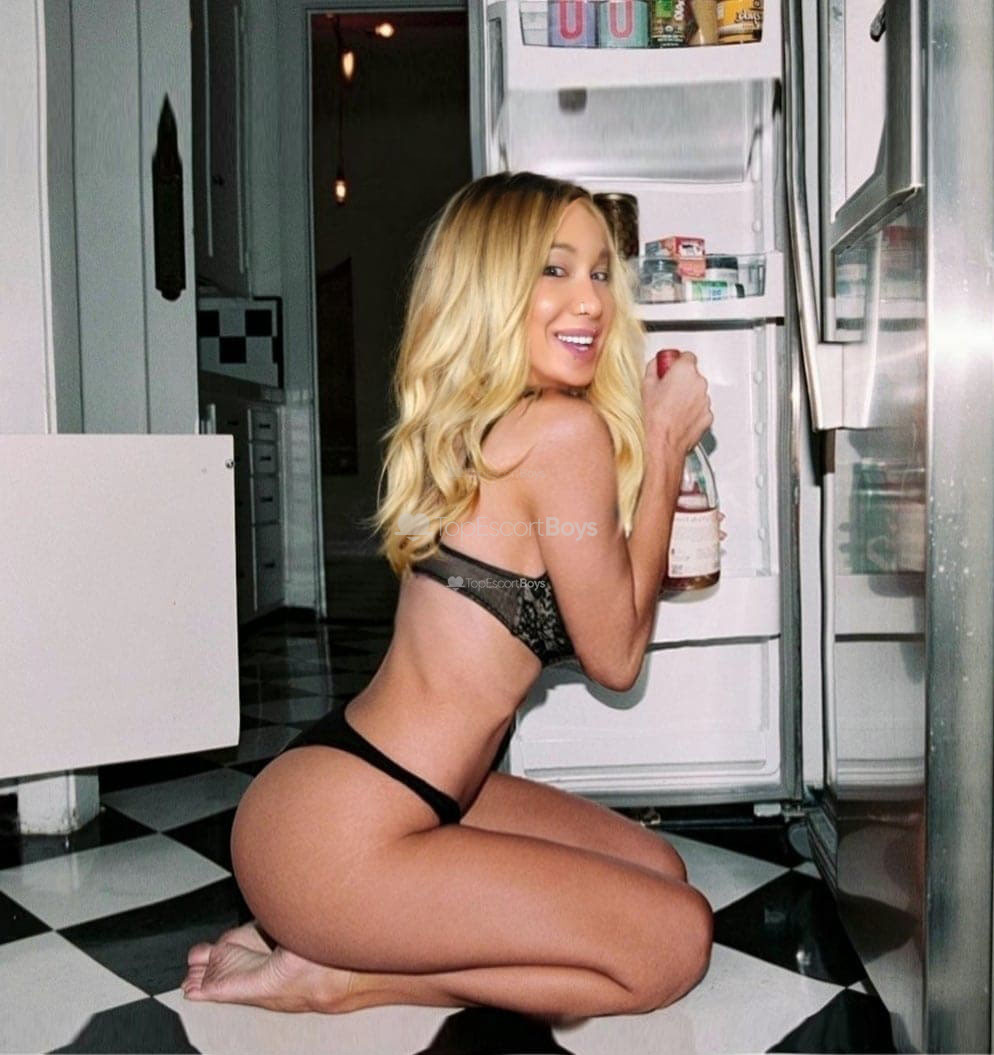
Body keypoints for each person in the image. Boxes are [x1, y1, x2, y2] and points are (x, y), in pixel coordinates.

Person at [182, 171, 715, 1023]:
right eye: (554, 269)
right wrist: (664, 440)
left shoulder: (504, 421)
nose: (591, 301)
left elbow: (605, 594)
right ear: (491, 285)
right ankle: (340, 977)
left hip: (383, 795)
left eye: (600, 273)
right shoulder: (560, 430)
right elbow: (617, 657)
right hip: (342, 836)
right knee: (674, 940)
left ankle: (331, 939)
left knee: (662, 872)